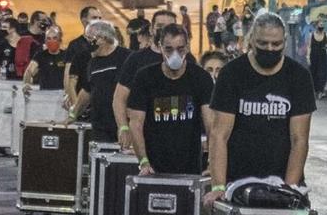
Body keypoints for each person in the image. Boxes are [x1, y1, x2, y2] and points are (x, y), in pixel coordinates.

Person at [206, 13, 315, 195]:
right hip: (237, 182)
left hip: (283, 180)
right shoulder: (231, 74)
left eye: (276, 44)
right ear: (251, 40)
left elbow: (299, 140)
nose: (270, 49)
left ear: (285, 42)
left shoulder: (299, 77)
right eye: (263, 44)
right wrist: (218, 186)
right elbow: (219, 135)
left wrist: (288, 190)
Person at [124, 22, 215, 177]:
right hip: (154, 167)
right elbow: (136, 123)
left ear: (187, 48)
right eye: (168, 49)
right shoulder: (145, 77)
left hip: (190, 168)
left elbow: (211, 125)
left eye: (180, 49)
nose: (175, 55)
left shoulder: (201, 78)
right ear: (160, 47)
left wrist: (213, 162)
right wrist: (144, 162)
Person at [70, 19, 127, 149]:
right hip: (100, 127)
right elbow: (87, 90)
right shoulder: (92, 63)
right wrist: (73, 114)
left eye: (90, 39)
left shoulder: (126, 57)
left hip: (121, 125)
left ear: (102, 39)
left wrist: (125, 126)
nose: (87, 43)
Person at [23, 23, 71, 106]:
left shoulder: (66, 55)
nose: (51, 41)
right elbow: (29, 71)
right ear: (45, 41)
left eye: (54, 38)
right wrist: (27, 83)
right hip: (44, 96)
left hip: (62, 96)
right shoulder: (40, 55)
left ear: (60, 40)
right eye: (48, 39)